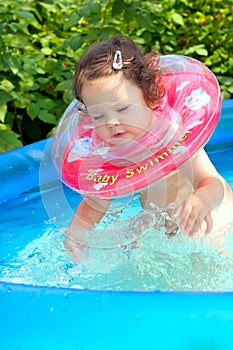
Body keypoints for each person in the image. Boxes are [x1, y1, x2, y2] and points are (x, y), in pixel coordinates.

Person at [65, 34, 233, 260]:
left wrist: (201, 199)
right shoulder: (111, 151)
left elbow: (213, 183)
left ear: (150, 98)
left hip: (212, 216)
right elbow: (95, 201)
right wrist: (77, 233)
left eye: (122, 109)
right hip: (166, 229)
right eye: (98, 115)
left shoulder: (174, 134)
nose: (111, 122)